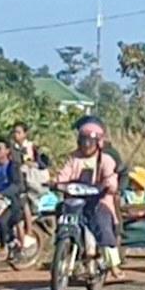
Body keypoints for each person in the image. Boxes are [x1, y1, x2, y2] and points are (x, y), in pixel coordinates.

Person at [54, 118, 123, 279]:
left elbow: (111, 178)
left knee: (102, 224)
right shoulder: (73, 158)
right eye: (83, 141)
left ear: (98, 142)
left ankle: (113, 264)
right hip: (75, 200)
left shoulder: (105, 160)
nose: (86, 145)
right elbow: (63, 174)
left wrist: (108, 186)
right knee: (61, 212)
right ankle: (64, 246)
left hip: (99, 200)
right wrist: (56, 182)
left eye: (90, 141)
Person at [11, 122, 50, 235]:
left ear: (25, 134)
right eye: (14, 132)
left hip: (28, 182)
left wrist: (32, 164)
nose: (16, 135)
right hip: (17, 180)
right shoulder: (12, 148)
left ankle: (29, 231)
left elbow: (43, 163)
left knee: (23, 203)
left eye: (19, 132)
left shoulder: (31, 147)